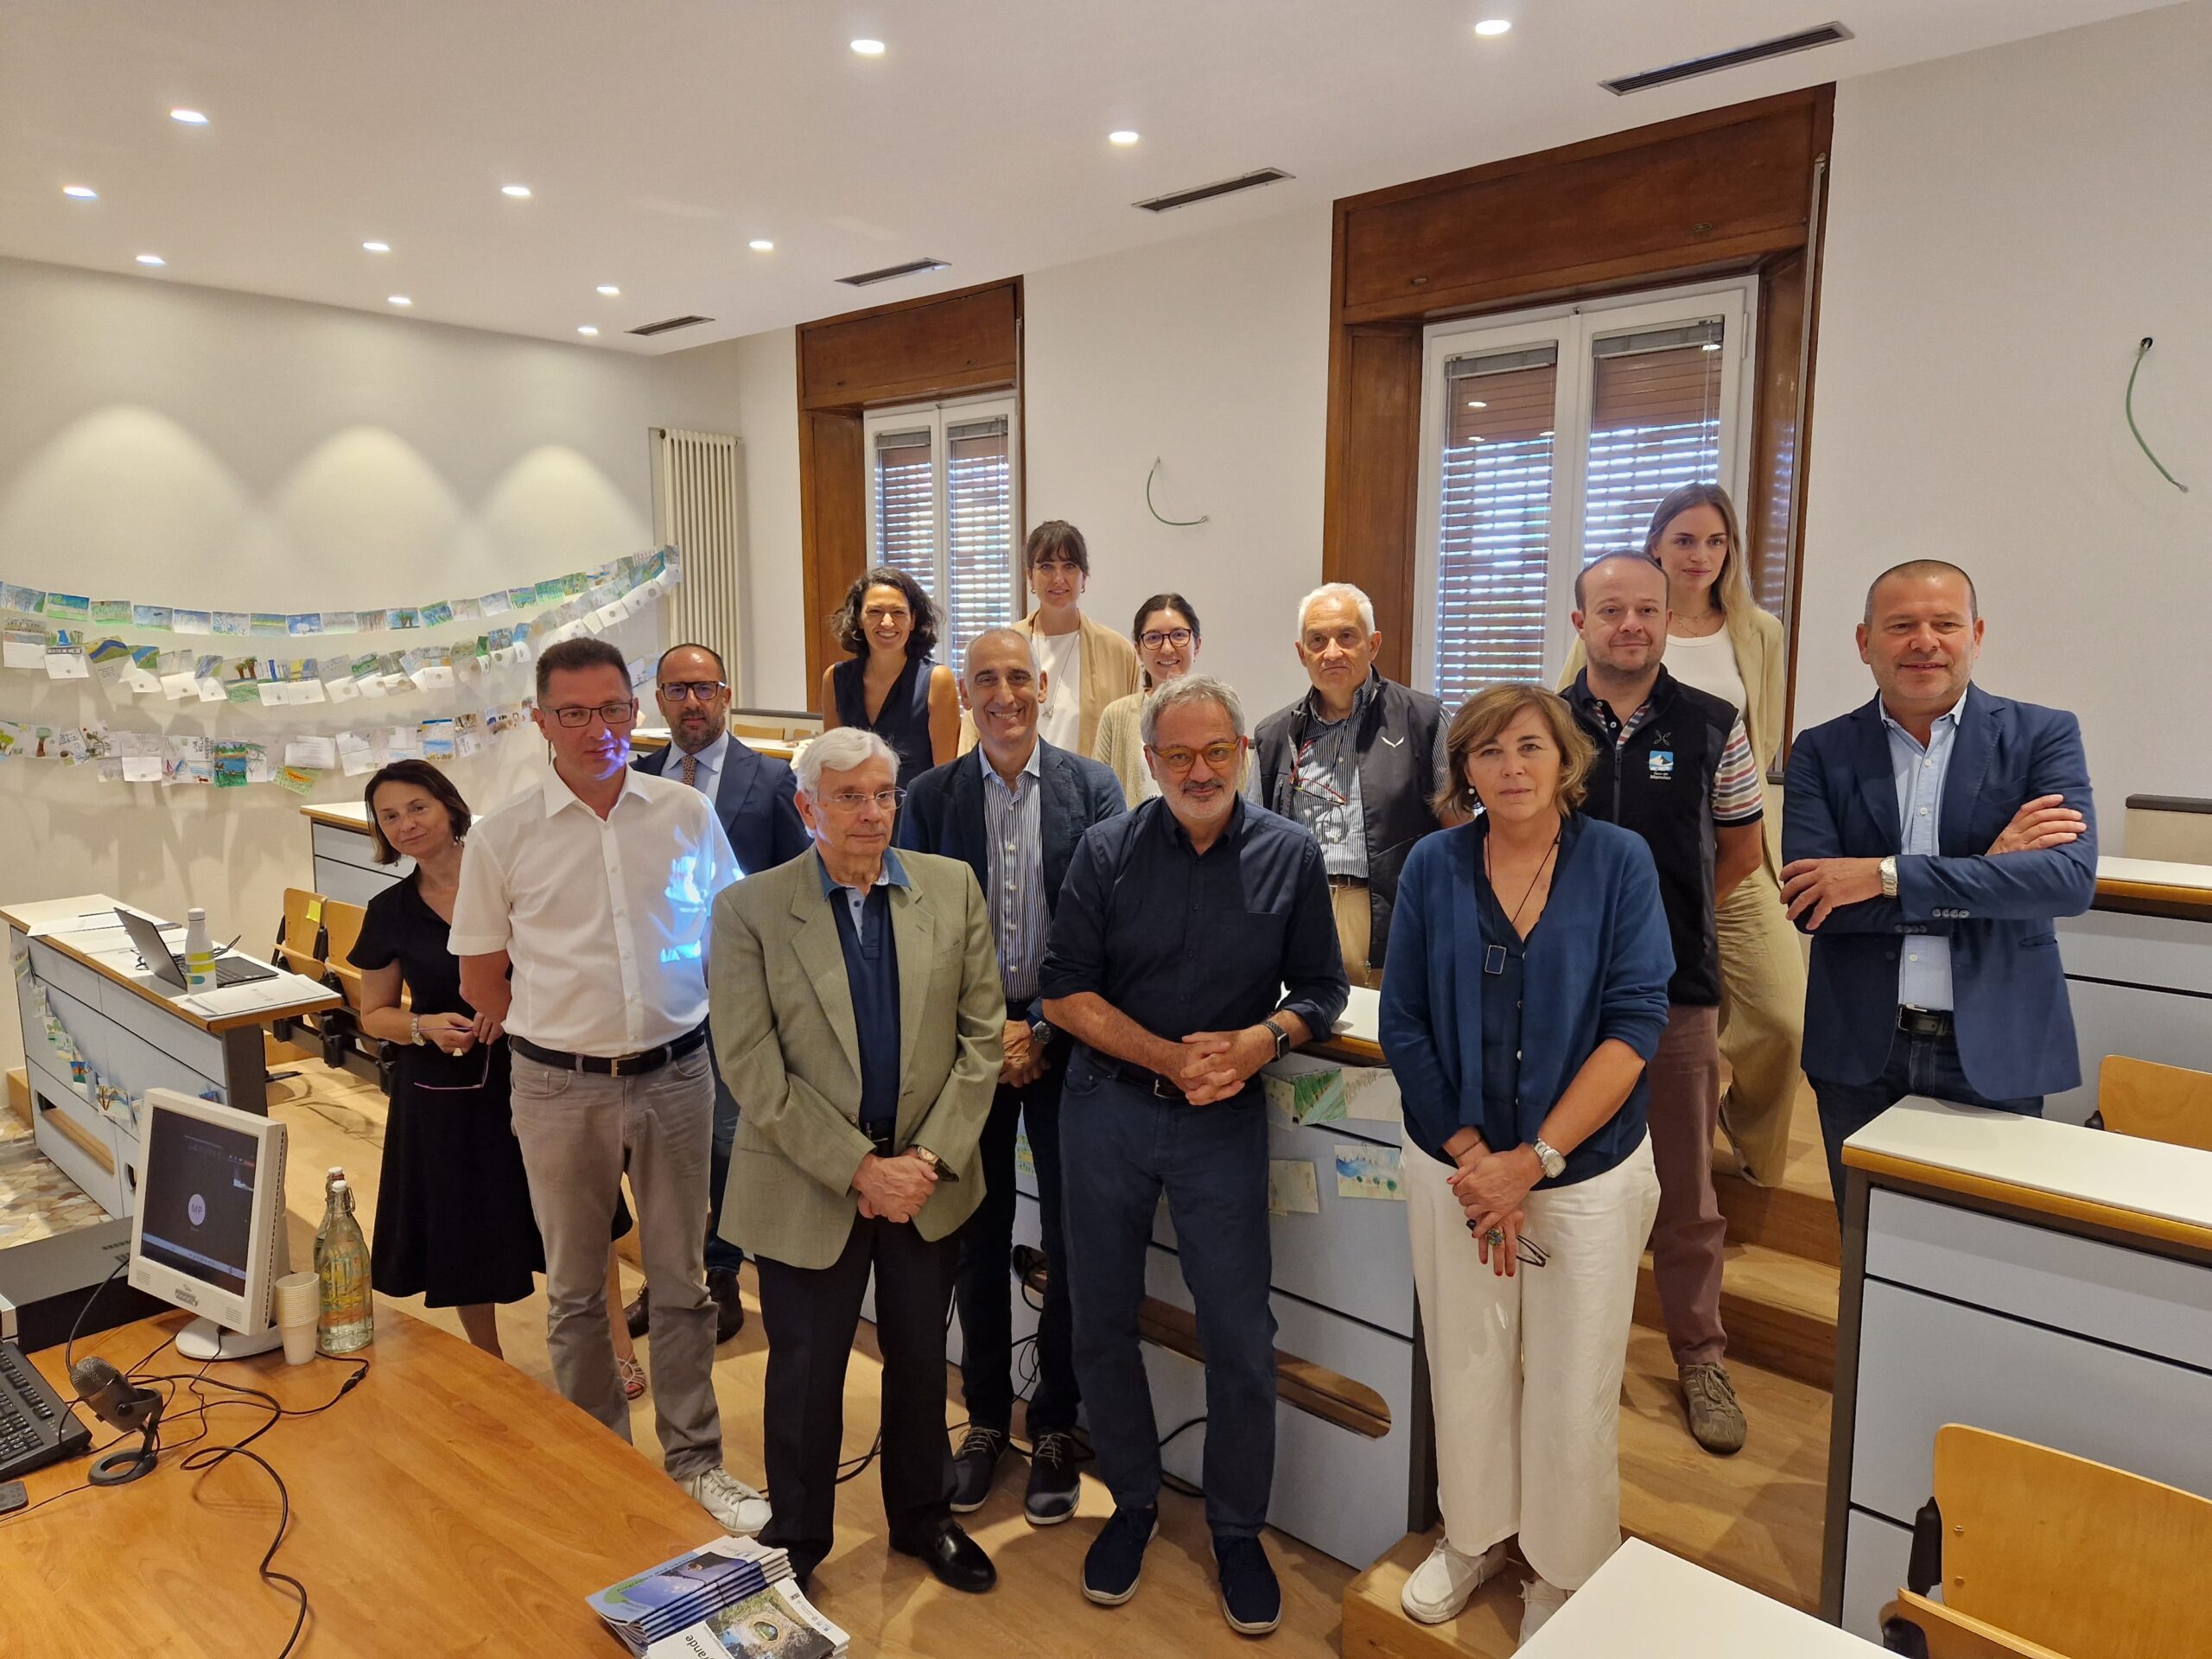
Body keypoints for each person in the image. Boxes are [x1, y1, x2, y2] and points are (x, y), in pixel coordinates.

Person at [1040, 676, 1349, 1637]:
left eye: (1217, 751)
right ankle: (1131, 1502)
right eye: (1178, 755)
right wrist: (1166, 1057)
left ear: (1243, 754)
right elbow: (1064, 992)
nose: (1200, 770)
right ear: (1151, 761)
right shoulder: (1105, 851)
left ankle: (1236, 1530)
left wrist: (1262, 1040)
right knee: (1100, 1318)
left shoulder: (1290, 853)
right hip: (1107, 1111)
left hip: (1223, 1122)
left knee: (1240, 1334)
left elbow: (1323, 989)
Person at [449, 637, 766, 1536]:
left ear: (638, 711)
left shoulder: (684, 814)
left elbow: (729, 935)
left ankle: (696, 1462)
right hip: (559, 1090)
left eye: (615, 710)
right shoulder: (504, 835)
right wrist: (566, 1034)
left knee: (683, 1282)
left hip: (678, 1076)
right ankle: (601, 1466)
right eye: (576, 714)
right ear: (541, 721)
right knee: (578, 1292)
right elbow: (481, 980)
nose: (600, 730)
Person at [1377, 684, 1671, 1643]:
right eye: (1489, 751)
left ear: (1565, 760)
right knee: (1466, 1362)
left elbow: (1635, 1023)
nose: (1511, 767)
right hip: (1455, 1170)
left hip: (1583, 1173)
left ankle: (1562, 1566)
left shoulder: (1619, 862)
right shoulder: (1432, 866)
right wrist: (1479, 1161)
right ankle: (1472, 1536)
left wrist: (1533, 1162)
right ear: (1463, 768)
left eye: (1531, 747)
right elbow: (1403, 1021)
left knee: (1572, 1380)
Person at [711, 726, 1005, 1595]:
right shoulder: (750, 910)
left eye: (882, 794)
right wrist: (858, 1168)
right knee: (805, 1370)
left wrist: (924, 1161)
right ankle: (797, 1538)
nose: (870, 813)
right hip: (808, 1179)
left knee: (919, 1360)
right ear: (807, 808)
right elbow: (751, 1066)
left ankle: (923, 1517)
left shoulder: (950, 888)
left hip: (925, 1180)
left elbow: (983, 1038)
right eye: (848, 797)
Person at [897, 628, 1126, 1525]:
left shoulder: (1092, 788)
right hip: (968, 1051)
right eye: (985, 680)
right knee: (976, 1242)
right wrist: (990, 1031)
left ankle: (1057, 1424)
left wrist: (1039, 1025)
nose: (1003, 695)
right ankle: (987, 1419)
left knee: (1071, 1241)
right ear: (965, 694)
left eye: (1018, 678)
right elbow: (914, 928)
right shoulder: (930, 797)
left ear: (1043, 688)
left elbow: (1107, 922)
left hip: (1067, 1041)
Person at [1782, 560, 2095, 1211]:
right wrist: (1992, 868)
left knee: (1989, 1243)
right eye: (1901, 625)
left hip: (1996, 1045)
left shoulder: (2042, 736)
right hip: (1860, 1046)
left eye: (1945, 624)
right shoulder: (1821, 750)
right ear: (1865, 642)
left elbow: (2065, 884)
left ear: (1975, 635)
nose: (1924, 641)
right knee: (1865, 1242)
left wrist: (1883, 876)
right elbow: (1816, 906)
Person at [1562, 553, 1766, 1458]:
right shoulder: (1542, 723)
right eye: (1611, 610)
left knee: (1686, 1191)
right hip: (1560, 994)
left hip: (1675, 993)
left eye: (1647, 609)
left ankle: (1699, 1357)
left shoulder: (1714, 723)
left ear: (1668, 618)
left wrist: (1656, 932)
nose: (1631, 625)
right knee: (1562, 1176)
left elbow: (1741, 851)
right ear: (1581, 624)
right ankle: (1568, 1351)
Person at [1564, 485, 1805, 1186]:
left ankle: (1751, 1144)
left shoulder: (1758, 631)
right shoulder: (1611, 617)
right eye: (1685, 540)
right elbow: (1567, 732)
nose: (1702, 554)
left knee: (1782, 1019)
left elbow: (1762, 734)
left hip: (1735, 851)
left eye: (1717, 541)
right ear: (1656, 548)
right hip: (1633, 863)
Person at [624, 642, 810, 1349]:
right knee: (659, 1146)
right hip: (657, 995)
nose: (692, 702)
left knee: (727, 1142)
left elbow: (798, 884)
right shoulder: (635, 779)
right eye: (677, 690)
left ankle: (724, 1271)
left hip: (739, 994)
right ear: (659, 701)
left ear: (726, 694)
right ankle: (666, 1274)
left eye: (705, 688)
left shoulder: (772, 778)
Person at [349, 760, 543, 1358]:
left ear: (450, 807)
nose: (406, 824)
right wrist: (421, 1026)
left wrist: (509, 1006)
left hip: (538, 1070)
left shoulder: (513, 878)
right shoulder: (389, 910)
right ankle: (490, 1361)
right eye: (389, 816)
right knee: (460, 1229)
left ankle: (610, 1349)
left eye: (418, 807)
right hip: (443, 1089)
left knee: (576, 1218)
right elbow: (373, 1013)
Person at [1253, 582, 1447, 990]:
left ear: (1373, 644)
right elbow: (1257, 840)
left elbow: (1457, 832)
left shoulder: (1424, 720)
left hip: (1388, 915)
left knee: (1379, 1028)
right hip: (1303, 911)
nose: (1332, 652)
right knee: (1309, 1022)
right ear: (1301, 653)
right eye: (1317, 640)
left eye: (1346, 636)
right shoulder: (1274, 735)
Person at [961, 520, 1140, 759]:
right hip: (1010, 779)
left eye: (1069, 566)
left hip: (1088, 781)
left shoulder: (1117, 651)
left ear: (1084, 577)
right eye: (1046, 566)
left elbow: (1130, 736)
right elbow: (974, 727)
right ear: (1030, 576)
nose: (1058, 578)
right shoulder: (1001, 648)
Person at [819, 566, 959, 788]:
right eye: (875, 612)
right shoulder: (835, 679)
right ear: (858, 619)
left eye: (898, 612)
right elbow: (834, 765)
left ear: (913, 621)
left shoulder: (937, 680)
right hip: (854, 806)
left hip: (915, 808)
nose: (887, 622)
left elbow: (944, 778)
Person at [1092, 593, 1204, 807]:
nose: (1167, 648)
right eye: (1153, 638)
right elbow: (1097, 797)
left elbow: (1241, 792)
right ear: (1138, 649)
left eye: (1179, 635)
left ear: (1197, 644)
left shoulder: (1218, 711)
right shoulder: (1116, 715)